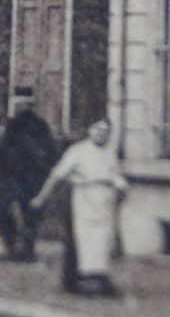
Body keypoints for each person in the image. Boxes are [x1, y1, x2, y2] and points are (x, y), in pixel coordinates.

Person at [30, 118, 128, 296]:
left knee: (103, 239)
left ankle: (101, 278)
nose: (101, 134)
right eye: (98, 129)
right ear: (90, 130)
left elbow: (115, 175)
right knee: (85, 238)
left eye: (105, 131)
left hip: (105, 200)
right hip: (85, 197)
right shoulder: (78, 150)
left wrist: (121, 187)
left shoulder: (109, 153)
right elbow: (57, 174)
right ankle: (83, 280)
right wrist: (41, 197)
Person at [0, 87, 59, 261]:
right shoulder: (10, 125)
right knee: (1, 210)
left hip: (31, 178)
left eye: (25, 103)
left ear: (31, 104)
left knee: (30, 215)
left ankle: (27, 250)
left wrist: (41, 170)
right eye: (18, 103)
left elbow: (50, 151)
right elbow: (0, 151)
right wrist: (0, 174)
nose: (21, 106)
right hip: (9, 177)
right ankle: (12, 246)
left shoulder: (39, 126)